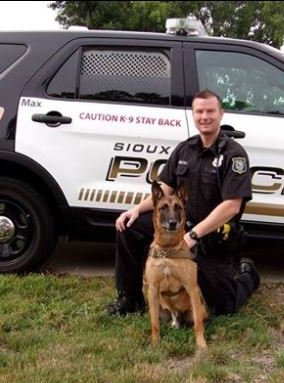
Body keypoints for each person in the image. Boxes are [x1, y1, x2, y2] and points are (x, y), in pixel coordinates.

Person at [107, 89, 260, 316]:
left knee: (223, 305)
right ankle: (130, 299)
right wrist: (136, 210)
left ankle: (249, 275)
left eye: (210, 111)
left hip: (211, 237)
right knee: (129, 228)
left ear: (221, 114)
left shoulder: (233, 154)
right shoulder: (184, 150)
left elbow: (232, 206)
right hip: (181, 228)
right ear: (193, 114)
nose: (204, 117)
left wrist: (193, 236)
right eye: (199, 111)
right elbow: (166, 189)